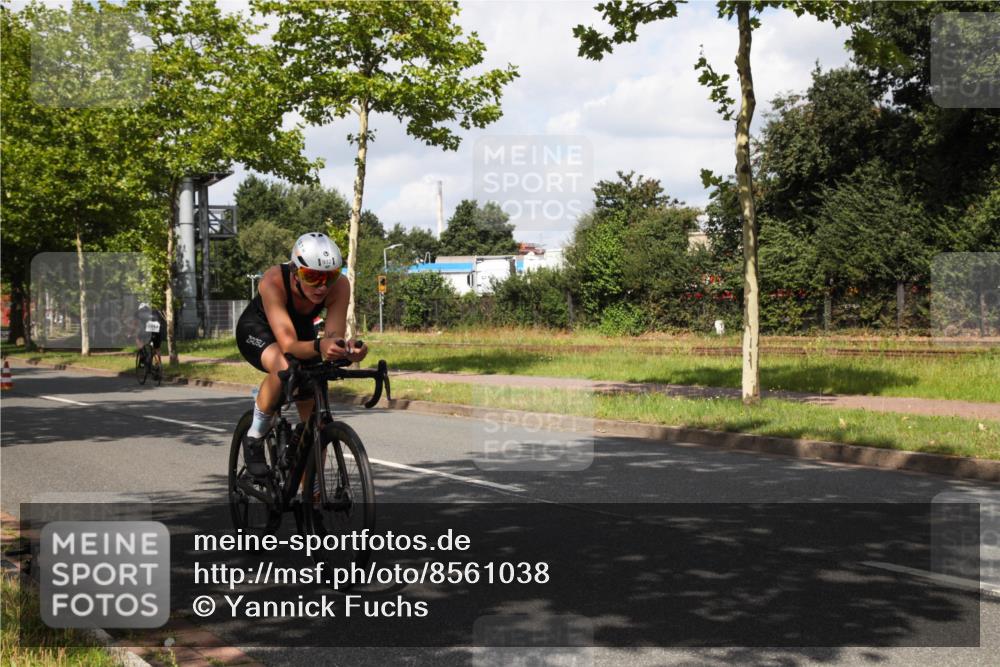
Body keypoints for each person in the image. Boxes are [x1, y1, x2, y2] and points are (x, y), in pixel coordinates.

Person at [236, 232, 367, 478]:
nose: (322, 286)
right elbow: (288, 345)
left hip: (301, 332)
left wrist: (349, 351)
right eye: (312, 276)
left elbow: (333, 338)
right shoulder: (273, 280)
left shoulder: (340, 286)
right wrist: (320, 346)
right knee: (284, 365)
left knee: (316, 421)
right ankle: (255, 435)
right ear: (295, 271)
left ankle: (312, 487)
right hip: (258, 329)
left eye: (329, 276)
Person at [135, 302, 166, 371]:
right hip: (158, 331)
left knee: (138, 339)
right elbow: (162, 321)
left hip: (148, 331)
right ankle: (159, 364)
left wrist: (131, 333)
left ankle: (142, 357)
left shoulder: (138, 313)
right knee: (157, 349)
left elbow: (135, 324)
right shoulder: (156, 312)